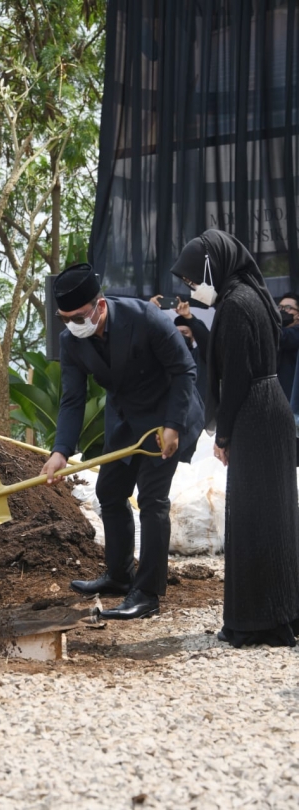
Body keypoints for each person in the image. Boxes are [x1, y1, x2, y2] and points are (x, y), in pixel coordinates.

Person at [41, 263, 204, 620]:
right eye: (64, 318)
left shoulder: (146, 317)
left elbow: (183, 370)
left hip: (167, 415)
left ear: (100, 306)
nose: (72, 324)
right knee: (110, 492)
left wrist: (173, 426)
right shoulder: (72, 341)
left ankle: (147, 593)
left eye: (78, 316)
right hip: (127, 419)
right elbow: (72, 398)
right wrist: (60, 451)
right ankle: (118, 575)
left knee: (152, 499)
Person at [170, 228, 299, 647]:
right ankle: (282, 614)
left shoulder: (236, 304)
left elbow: (237, 377)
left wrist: (222, 434)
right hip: (272, 406)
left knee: (251, 519)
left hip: (254, 414)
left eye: (194, 279)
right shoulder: (256, 296)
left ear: (212, 267)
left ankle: (254, 621)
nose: (193, 288)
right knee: (275, 516)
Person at [150, 295, 210, 401]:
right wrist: (149, 310)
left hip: (200, 412)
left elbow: (206, 340)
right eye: (177, 332)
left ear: (193, 337)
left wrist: (189, 317)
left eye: (184, 332)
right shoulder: (164, 357)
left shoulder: (200, 356)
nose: (180, 336)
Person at [276, 291, 299, 401]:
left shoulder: (294, 333)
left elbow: (282, 336)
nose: (282, 311)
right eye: (279, 307)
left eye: (288, 307)